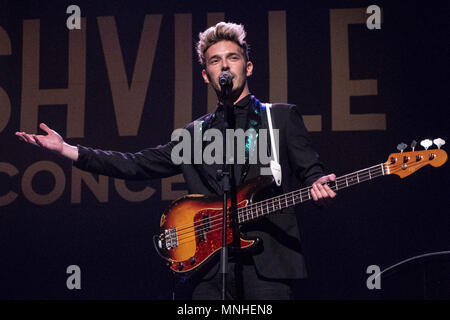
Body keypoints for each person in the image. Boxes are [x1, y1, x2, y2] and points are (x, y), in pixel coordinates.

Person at [15, 22, 336, 300]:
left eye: (232, 58)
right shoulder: (194, 135)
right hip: (208, 270)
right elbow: (136, 164)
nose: (224, 66)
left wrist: (317, 184)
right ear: (205, 73)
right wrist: (67, 150)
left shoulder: (278, 117)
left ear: (248, 66)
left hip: (268, 268)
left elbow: (312, 171)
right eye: (215, 61)